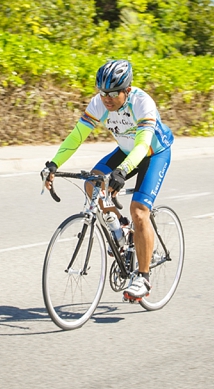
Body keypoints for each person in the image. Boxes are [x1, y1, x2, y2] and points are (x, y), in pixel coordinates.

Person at [41, 59, 174, 301]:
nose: (107, 99)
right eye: (103, 93)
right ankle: (120, 231)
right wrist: (54, 164)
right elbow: (76, 137)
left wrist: (122, 172)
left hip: (153, 153)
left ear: (127, 90)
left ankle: (142, 278)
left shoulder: (143, 103)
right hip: (126, 150)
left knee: (140, 210)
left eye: (113, 93)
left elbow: (143, 145)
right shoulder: (99, 103)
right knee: (92, 183)